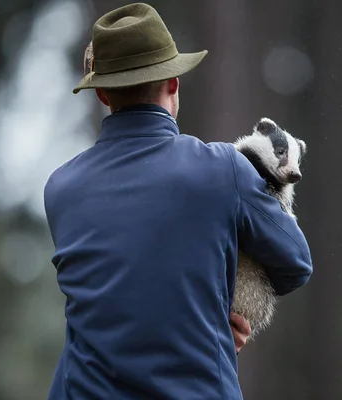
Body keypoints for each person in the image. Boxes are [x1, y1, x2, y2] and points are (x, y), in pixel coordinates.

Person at [44, 3, 313, 400]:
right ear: (173, 83)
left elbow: (123, 284)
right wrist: (219, 314)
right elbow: (295, 262)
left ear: (101, 92)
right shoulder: (223, 169)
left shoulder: (60, 188)